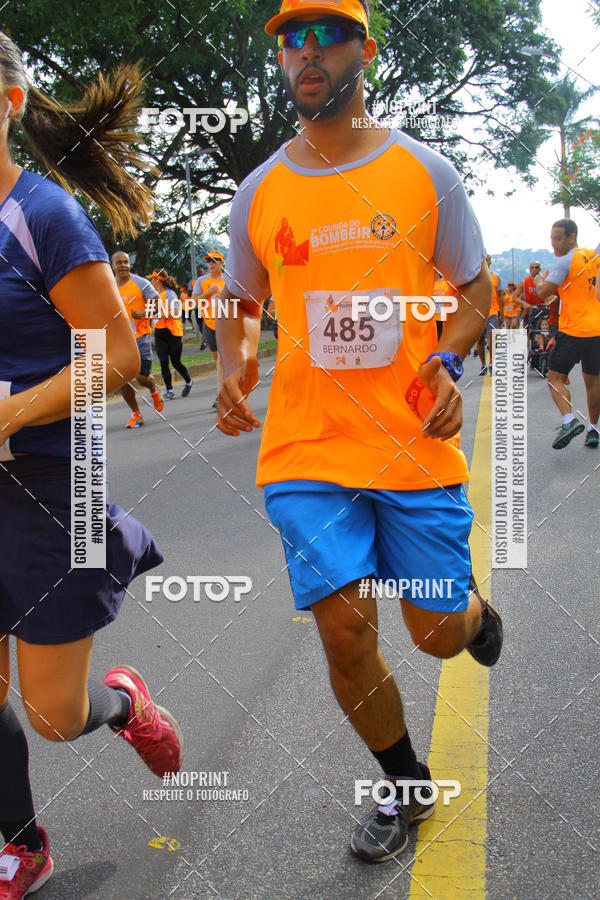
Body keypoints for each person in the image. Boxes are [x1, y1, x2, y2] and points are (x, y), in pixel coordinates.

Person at [215, 0, 503, 865]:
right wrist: (233, 362)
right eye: (290, 40)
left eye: (325, 36)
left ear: (363, 50)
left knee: (434, 631)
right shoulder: (258, 190)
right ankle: (406, 782)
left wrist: (447, 364)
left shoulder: (428, 174)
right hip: (306, 450)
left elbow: (477, 296)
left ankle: (477, 615)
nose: (306, 53)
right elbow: (240, 301)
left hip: (412, 443)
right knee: (344, 630)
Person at [0, 35, 182, 898]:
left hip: (47, 483)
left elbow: (117, 358)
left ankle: (125, 703)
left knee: (53, 713)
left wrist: (8, 411)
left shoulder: (42, 216)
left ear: (8, 104)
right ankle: (18, 841)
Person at [532, 219, 600, 449]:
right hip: (597, 331)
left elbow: (543, 292)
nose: (554, 243)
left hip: (572, 331)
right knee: (593, 382)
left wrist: (538, 278)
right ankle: (593, 429)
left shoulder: (563, 262)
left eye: (559, 238)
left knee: (554, 379)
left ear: (573, 237)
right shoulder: (593, 255)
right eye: (552, 238)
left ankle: (569, 420)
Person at [111, 250, 164, 428]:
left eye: (126, 262)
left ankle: (153, 389)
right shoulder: (108, 286)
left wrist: (143, 313)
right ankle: (136, 414)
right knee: (122, 380)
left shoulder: (141, 283)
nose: (123, 265)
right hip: (120, 340)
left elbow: (158, 305)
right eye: (119, 263)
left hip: (140, 336)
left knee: (142, 377)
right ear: (113, 266)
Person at [150, 270, 193, 399]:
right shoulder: (154, 295)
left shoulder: (170, 294)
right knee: (163, 361)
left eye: (152, 279)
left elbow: (176, 311)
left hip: (173, 332)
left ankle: (188, 381)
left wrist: (160, 315)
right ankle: (169, 390)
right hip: (160, 333)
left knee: (175, 362)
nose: (151, 282)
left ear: (158, 280)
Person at [193, 250, 225, 409]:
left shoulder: (229, 281)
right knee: (219, 361)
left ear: (222, 262)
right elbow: (193, 303)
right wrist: (208, 293)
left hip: (228, 324)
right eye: (209, 260)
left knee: (221, 361)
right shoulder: (201, 281)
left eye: (215, 260)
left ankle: (221, 396)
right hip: (209, 325)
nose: (211, 263)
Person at [476, 253, 503, 374]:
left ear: (490, 262)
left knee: (492, 339)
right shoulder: (474, 278)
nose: (486, 262)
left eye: (487, 260)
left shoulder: (496, 278)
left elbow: (501, 296)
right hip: (479, 314)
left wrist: (501, 313)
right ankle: (483, 365)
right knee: (480, 341)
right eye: (483, 260)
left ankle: (492, 363)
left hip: (493, 312)